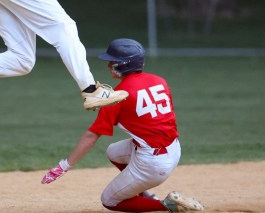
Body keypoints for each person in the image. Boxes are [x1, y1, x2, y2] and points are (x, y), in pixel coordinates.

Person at [41, 38, 205, 212]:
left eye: (112, 62)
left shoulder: (117, 97)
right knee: (113, 151)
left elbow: (91, 136)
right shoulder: (159, 81)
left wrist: (64, 166)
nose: (108, 65)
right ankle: (145, 194)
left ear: (122, 65)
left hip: (152, 163)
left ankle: (168, 206)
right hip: (173, 149)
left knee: (109, 200)